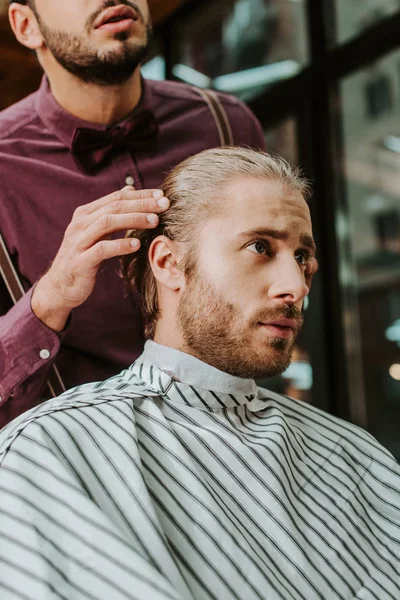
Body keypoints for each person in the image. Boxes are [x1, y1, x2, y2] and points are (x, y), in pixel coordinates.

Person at [0, 147, 398, 600]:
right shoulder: (49, 450)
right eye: (260, 247)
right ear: (168, 264)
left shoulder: (356, 456)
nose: (297, 285)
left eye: (302, 255)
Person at [0, 0, 264, 427]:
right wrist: (49, 299)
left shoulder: (228, 126)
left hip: (233, 445)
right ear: (27, 25)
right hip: (78, 467)